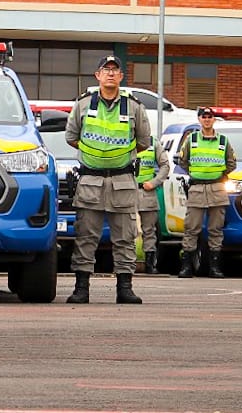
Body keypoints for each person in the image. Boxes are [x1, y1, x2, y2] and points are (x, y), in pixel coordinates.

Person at [64, 54, 152, 304]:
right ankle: (81, 288)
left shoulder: (134, 106)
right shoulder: (82, 105)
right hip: (90, 181)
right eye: (106, 69)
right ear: (98, 75)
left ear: (121, 76)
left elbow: (144, 141)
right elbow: (71, 136)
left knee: (125, 237)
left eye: (115, 70)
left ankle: (125, 288)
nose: (111, 73)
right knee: (85, 237)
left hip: (122, 181)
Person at [176, 107, 237, 279]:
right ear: (199, 119)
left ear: (214, 119)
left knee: (215, 230)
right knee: (191, 228)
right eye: (204, 117)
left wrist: (220, 175)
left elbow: (231, 163)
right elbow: (183, 161)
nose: (207, 119)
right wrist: (196, 174)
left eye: (210, 117)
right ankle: (186, 266)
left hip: (217, 188)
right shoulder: (191, 139)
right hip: (196, 189)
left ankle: (215, 267)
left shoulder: (223, 141)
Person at [135, 137, 171, 275]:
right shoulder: (123, 139)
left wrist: (154, 182)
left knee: (149, 230)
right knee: (125, 230)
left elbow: (165, 165)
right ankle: (124, 264)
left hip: (147, 191)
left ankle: (150, 264)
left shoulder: (153, 143)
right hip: (126, 191)